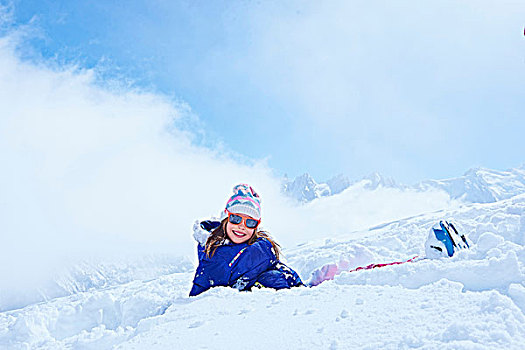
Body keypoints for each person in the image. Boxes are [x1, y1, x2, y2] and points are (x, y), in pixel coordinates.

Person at [189, 184, 303, 296]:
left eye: (250, 222)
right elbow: (201, 291)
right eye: (236, 218)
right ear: (225, 219)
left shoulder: (261, 248)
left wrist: (302, 288)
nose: (242, 226)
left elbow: (279, 269)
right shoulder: (212, 251)